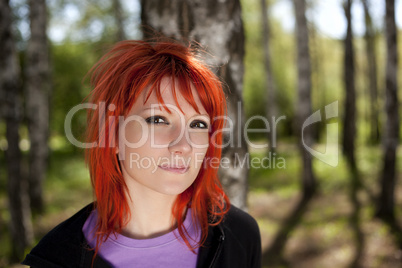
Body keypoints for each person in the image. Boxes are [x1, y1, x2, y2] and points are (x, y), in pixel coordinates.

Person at [22, 39, 261, 268]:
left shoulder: (239, 236)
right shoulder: (58, 257)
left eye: (197, 124)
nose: (183, 144)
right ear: (112, 135)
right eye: (158, 119)